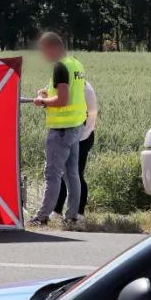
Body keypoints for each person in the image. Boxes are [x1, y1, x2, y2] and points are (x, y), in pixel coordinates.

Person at [29, 32, 86, 228]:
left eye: (44, 51)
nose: (43, 55)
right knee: (72, 174)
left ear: (52, 47)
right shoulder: (75, 63)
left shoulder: (60, 66)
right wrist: (48, 93)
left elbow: (63, 99)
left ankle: (42, 217)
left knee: (52, 175)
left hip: (61, 129)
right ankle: (71, 217)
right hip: (76, 127)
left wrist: (42, 101)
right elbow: (67, 93)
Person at [55, 77, 98, 219]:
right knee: (60, 173)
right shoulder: (66, 85)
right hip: (67, 135)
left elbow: (90, 118)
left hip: (82, 137)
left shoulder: (86, 90)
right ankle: (56, 210)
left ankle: (79, 213)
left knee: (76, 174)